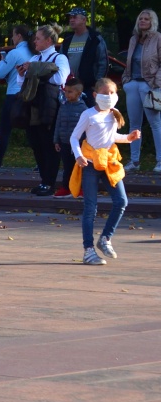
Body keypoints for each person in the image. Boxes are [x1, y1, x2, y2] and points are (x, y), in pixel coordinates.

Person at [68, 78, 139, 265]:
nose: (109, 96)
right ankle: (88, 250)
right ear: (95, 95)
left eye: (112, 93)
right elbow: (74, 137)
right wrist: (78, 156)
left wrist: (128, 138)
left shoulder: (114, 113)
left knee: (121, 201)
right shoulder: (88, 115)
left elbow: (111, 136)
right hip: (90, 164)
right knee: (90, 208)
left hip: (109, 163)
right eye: (104, 93)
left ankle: (105, 238)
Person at [20, 25, 71, 196]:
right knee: (36, 144)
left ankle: (49, 182)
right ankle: (44, 181)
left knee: (49, 144)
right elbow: (23, 83)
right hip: (34, 105)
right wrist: (22, 73)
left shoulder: (59, 58)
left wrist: (35, 69)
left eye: (38, 39)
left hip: (50, 106)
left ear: (49, 40)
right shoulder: (35, 58)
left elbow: (60, 78)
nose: (34, 41)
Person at [122, 8, 161, 172]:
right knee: (134, 124)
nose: (143, 21)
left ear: (152, 22)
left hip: (149, 84)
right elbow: (129, 62)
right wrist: (126, 81)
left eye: (146, 19)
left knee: (155, 123)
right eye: (141, 18)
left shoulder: (158, 38)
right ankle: (134, 161)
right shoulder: (134, 39)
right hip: (133, 84)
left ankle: (160, 162)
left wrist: (156, 83)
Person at [0, 24, 33, 165]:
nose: (12, 38)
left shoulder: (14, 53)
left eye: (13, 35)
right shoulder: (33, 52)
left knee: (5, 129)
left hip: (13, 94)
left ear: (19, 36)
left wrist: (2, 61)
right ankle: (40, 163)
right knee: (31, 130)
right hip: (30, 94)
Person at [58, 8, 108, 103]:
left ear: (84, 20)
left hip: (88, 88)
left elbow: (102, 62)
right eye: (70, 17)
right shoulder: (67, 39)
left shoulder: (94, 38)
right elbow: (60, 60)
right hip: (69, 87)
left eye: (74, 17)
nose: (71, 20)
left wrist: (97, 83)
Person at [52, 78, 88, 199]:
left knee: (79, 167)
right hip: (64, 142)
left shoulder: (84, 109)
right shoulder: (63, 106)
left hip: (79, 144)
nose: (67, 94)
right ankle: (66, 188)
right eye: (65, 91)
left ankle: (81, 189)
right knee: (67, 166)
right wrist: (56, 140)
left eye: (70, 92)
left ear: (78, 93)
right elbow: (58, 123)